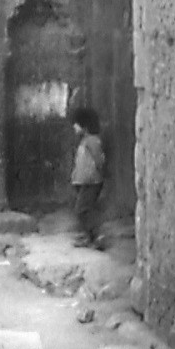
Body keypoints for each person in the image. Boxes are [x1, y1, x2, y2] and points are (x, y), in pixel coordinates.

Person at [70, 105, 106, 248]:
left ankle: (98, 235)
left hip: (92, 182)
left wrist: (98, 172)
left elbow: (99, 160)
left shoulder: (92, 141)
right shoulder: (85, 141)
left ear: (84, 126)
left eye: (76, 124)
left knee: (82, 210)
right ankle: (89, 237)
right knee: (85, 209)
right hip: (85, 182)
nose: (74, 127)